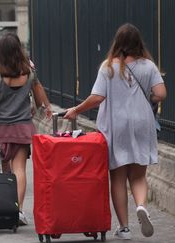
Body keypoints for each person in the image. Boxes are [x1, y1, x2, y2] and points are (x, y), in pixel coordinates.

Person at [64, 23, 166, 240]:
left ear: (117, 43)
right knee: (138, 175)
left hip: (116, 126)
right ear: (139, 43)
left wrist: (76, 109)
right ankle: (141, 206)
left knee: (118, 177)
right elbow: (161, 93)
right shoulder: (148, 66)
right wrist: (148, 97)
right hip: (142, 124)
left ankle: (125, 228)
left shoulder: (108, 67)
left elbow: (98, 97)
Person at [0, 33, 51, 226]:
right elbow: (41, 102)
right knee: (20, 169)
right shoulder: (30, 74)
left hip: (2, 128)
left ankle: (7, 207)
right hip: (23, 127)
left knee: (6, 170)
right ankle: (19, 210)